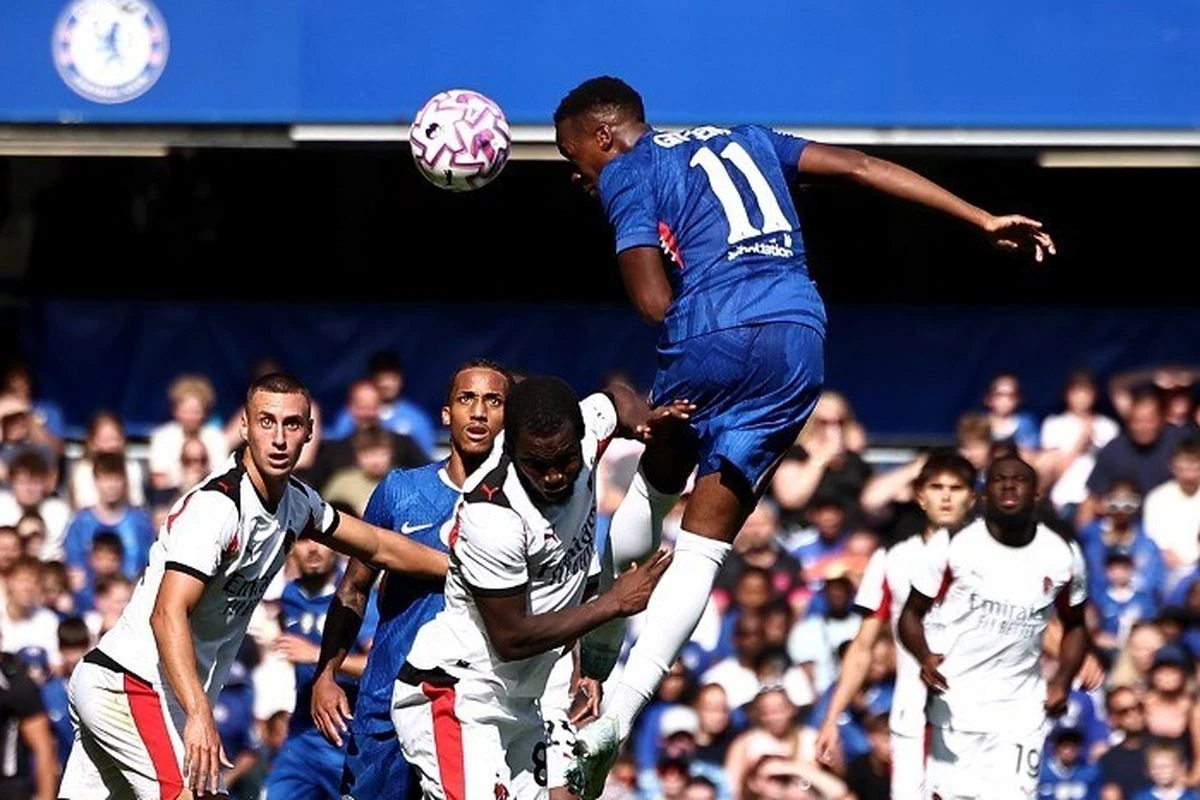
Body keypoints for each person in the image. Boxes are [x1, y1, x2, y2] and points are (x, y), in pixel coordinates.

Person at [551, 75, 1056, 795]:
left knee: (654, 489)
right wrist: (980, 219)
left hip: (711, 332)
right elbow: (860, 166)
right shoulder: (748, 137)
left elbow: (653, 301)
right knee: (705, 546)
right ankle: (618, 717)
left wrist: (642, 228)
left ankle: (596, 664)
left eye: (573, 154)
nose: (576, 170)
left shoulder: (629, 171)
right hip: (797, 335)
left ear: (604, 135)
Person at [58, 372, 452, 800]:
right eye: (267, 422)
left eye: (292, 424)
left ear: (309, 433)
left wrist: (460, 568)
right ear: (245, 426)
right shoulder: (218, 508)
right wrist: (199, 713)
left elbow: (376, 544)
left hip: (134, 690)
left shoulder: (297, 503)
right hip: (132, 685)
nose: (279, 439)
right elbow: (166, 613)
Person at [390, 375, 688, 800]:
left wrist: (644, 423)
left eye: (565, 461)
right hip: (462, 693)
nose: (554, 476)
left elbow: (618, 398)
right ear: (511, 450)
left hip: (525, 698)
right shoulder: (493, 515)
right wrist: (613, 603)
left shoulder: (580, 432)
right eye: (537, 464)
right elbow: (511, 637)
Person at [309, 358, 511, 800]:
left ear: (508, 417)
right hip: (386, 700)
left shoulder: (522, 506)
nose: (479, 412)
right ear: (446, 413)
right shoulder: (400, 490)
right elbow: (353, 588)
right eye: (467, 399)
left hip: (475, 708)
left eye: (493, 401)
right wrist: (327, 673)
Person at [897, 455, 1089, 800]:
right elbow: (910, 615)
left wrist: (1062, 681)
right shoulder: (952, 546)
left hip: (1021, 709)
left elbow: (1076, 626)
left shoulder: (1062, 554)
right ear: (984, 494)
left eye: (1019, 480)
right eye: (999, 479)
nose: (1009, 485)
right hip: (956, 704)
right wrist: (924, 656)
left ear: (1037, 494)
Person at [813, 449, 977, 800]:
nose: (946, 497)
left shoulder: (993, 561)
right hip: (912, 710)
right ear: (919, 495)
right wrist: (832, 717)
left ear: (972, 497)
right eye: (936, 487)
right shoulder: (893, 560)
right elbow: (862, 646)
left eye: (956, 488)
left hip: (976, 715)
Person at [264, 536, 377, 800]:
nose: (313, 549)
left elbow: (375, 666)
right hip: (302, 737)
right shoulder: (290, 596)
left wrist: (317, 655)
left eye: (321, 541)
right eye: (304, 540)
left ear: (337, 546)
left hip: (346, 737)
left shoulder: (357, 598)